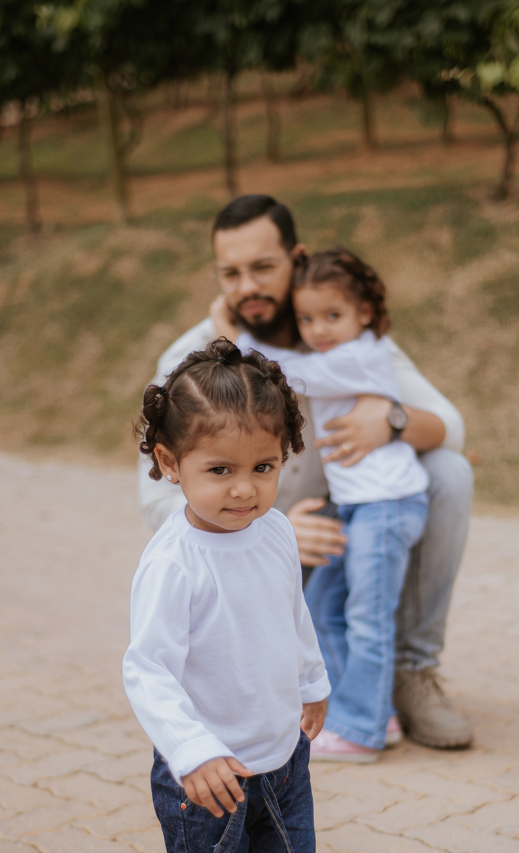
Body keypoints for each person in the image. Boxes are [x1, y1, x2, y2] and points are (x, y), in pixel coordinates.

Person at [140, 194, 474, 749]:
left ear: (297, 259)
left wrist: (390, 420)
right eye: (231, 273)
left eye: (263, 267)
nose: (248, 286)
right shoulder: (193, 361)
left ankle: (411, 671)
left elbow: (451, 427)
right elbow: (155, 500)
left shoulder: (334, 329)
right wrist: (270, 527)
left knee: (449, 472)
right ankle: (291, 686)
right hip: (250, 549)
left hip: (344, 534)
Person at [123, 338, 329, 853]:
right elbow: (148, 670)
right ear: (170, 463)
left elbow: (291, 612)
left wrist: (312, 680)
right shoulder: (173, 562)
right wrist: (191, 751)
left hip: (282, 759)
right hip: (207, 780)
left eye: (263, 467)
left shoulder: (274, 531)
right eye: (219, 470)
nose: (245, 490)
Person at [224, 248, 428, 763]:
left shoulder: (364, 353)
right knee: (322, 607)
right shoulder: (342, 350)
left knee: (367, 616)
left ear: (365, 312)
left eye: (332, 315)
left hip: (386, 505)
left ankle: (361, 733)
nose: (319, 330)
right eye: (307, 319)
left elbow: (295, 374)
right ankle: (373, 711)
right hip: (357, 505)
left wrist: (234, 337)